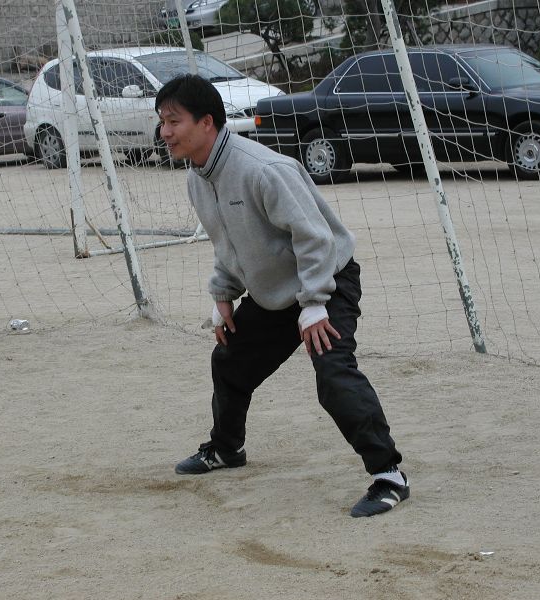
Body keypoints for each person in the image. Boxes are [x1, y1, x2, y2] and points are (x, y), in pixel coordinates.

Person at [156, 74, 409, 518]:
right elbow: (227, 241)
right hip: (277, 292)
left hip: (327, 280)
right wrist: (223, 294)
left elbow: (316, 239)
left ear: (207, 122)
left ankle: (389, 475)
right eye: (162, 122)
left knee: (333, 372)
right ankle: (227, 449)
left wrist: (313, 304)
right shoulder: (198, 177)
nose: (165, 132)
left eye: (174, 121)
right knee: (230, 359)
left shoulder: (263, 169)